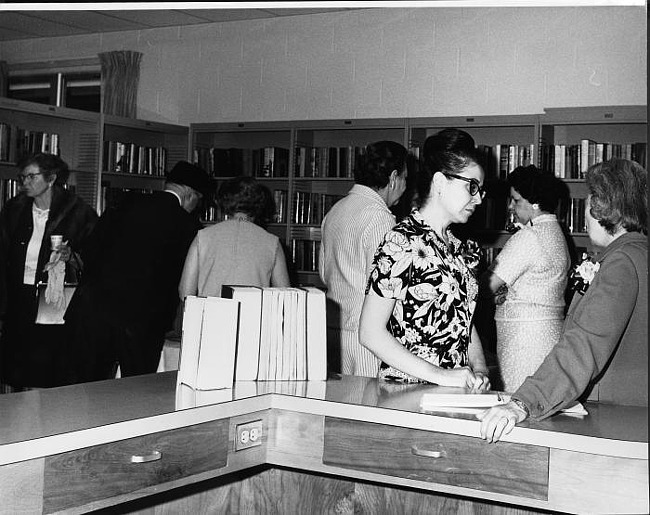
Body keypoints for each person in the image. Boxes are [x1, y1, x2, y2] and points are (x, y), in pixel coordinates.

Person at [479, 158, 648, 442]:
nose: (585, 213)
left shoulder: (621, 263)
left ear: (606, 207)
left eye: (590, 200)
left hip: (616, 416)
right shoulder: (638, 253)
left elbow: (586, 343)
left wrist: (523, 402)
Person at [358, 129, 490, 389]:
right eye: (472, 187)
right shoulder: (401, 242)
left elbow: (465, 320)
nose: (478, 198)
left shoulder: (463, 249)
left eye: (481, 190)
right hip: (406, 391)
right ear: (440, 182)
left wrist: (480, 367)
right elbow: (370, 333)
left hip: (455, 391)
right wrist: (441, 376)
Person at [64, 160, 213, 382]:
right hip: (142, 320)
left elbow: (90, 253)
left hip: (92, 311)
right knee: (137, 393)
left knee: (84, 389)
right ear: (192, 195)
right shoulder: (188, 226)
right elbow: (184, 279)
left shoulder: (120, 204)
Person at [0, 153, 98, 391]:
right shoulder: (14, 210)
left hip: (53, 300)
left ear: (51, 178)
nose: (25, 182)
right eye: (23, 177)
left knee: (46, 368)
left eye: (32, 177)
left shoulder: (78, 212)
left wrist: (71, 256)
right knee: (16, 366)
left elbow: (96, 257)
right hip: (18, 297)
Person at [319, 140, 408, 377]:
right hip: (366, 339)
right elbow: (386, 287)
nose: (405, 187)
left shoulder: (335, 210)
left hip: (333, 329)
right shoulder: (381, 219)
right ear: (393, 177)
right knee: (368, 407)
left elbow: (322, 271)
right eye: (405, 179)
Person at [480, 165, 571, 392]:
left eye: (516, 200)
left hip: (523, 340)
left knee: (518, 398)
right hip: (548, 335)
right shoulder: (558, 235)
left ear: (534, 203)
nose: (511, 206)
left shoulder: (529, 237)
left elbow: (486, 286)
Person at [178, 176, 290, 299]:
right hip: (253, 315)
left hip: (211, 315)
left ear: (223, 203)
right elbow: (284, 295)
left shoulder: (203, 237)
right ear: (259, 205)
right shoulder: (272, 242)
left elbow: (185, 292)